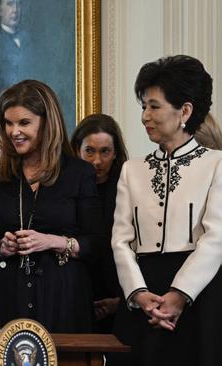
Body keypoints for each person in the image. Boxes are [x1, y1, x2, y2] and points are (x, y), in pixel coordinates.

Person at [109, 55, 222, 365]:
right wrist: (139, 294)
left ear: (185, 110)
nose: (145, 116)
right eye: (143, 106)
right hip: (141, 298)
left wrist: (179, 295)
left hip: (198, 296)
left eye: (154, 106)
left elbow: (215, 239)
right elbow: (120, 241)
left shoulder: (216, 164)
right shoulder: (132, 170)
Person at [0, 80, 103, 332]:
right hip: (9, 295)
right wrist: (1, 247)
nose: (14, 131)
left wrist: (53, 241)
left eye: (24, 123)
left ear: (47, 123)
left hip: (64, 295)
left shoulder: (79, 173)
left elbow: (97, 243)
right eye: (8, 123)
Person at [70, 113, 129, 333]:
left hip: (117, 289)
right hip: (75, 289)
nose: (97, 161)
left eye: (105, 151)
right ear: (77, 149)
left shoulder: (127, 187)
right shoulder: (65, 188)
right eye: (89, 151)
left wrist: (120, 301)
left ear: (115, 153)